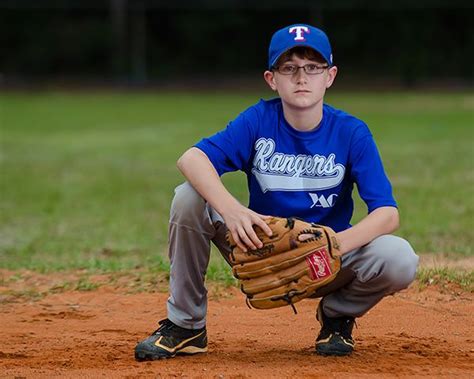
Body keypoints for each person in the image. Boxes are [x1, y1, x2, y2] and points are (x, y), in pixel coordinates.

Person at [134, 23, 419, 360]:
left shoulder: (350, 132)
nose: (302, 78)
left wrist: (332, 246)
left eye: (313, 67)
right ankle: (186, 326)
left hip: (327, 259)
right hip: (261, 246)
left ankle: (338, 314)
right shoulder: (259, 119)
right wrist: (232, 209)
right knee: (188, 197)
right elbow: (191, 158)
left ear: (330, 76)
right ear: (272, 79)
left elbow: (387, 213)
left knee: (399, 258)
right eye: (290, 68)